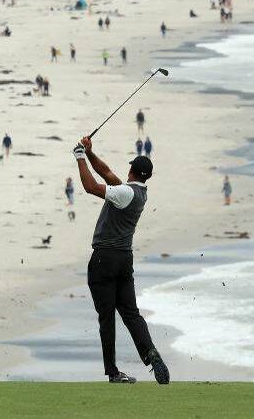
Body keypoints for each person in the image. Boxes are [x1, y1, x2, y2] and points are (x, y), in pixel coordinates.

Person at [73, 138, 170, 384]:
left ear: (132, 171)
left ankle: (113, 372)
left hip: (104, 258)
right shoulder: (138, 193)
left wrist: (79, 157)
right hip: (124, 260)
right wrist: (91, 153)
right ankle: (151, 353)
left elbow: (91, 186)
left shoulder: (125, 192)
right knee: (130, 313)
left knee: (106, 317)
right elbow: (106, 173)